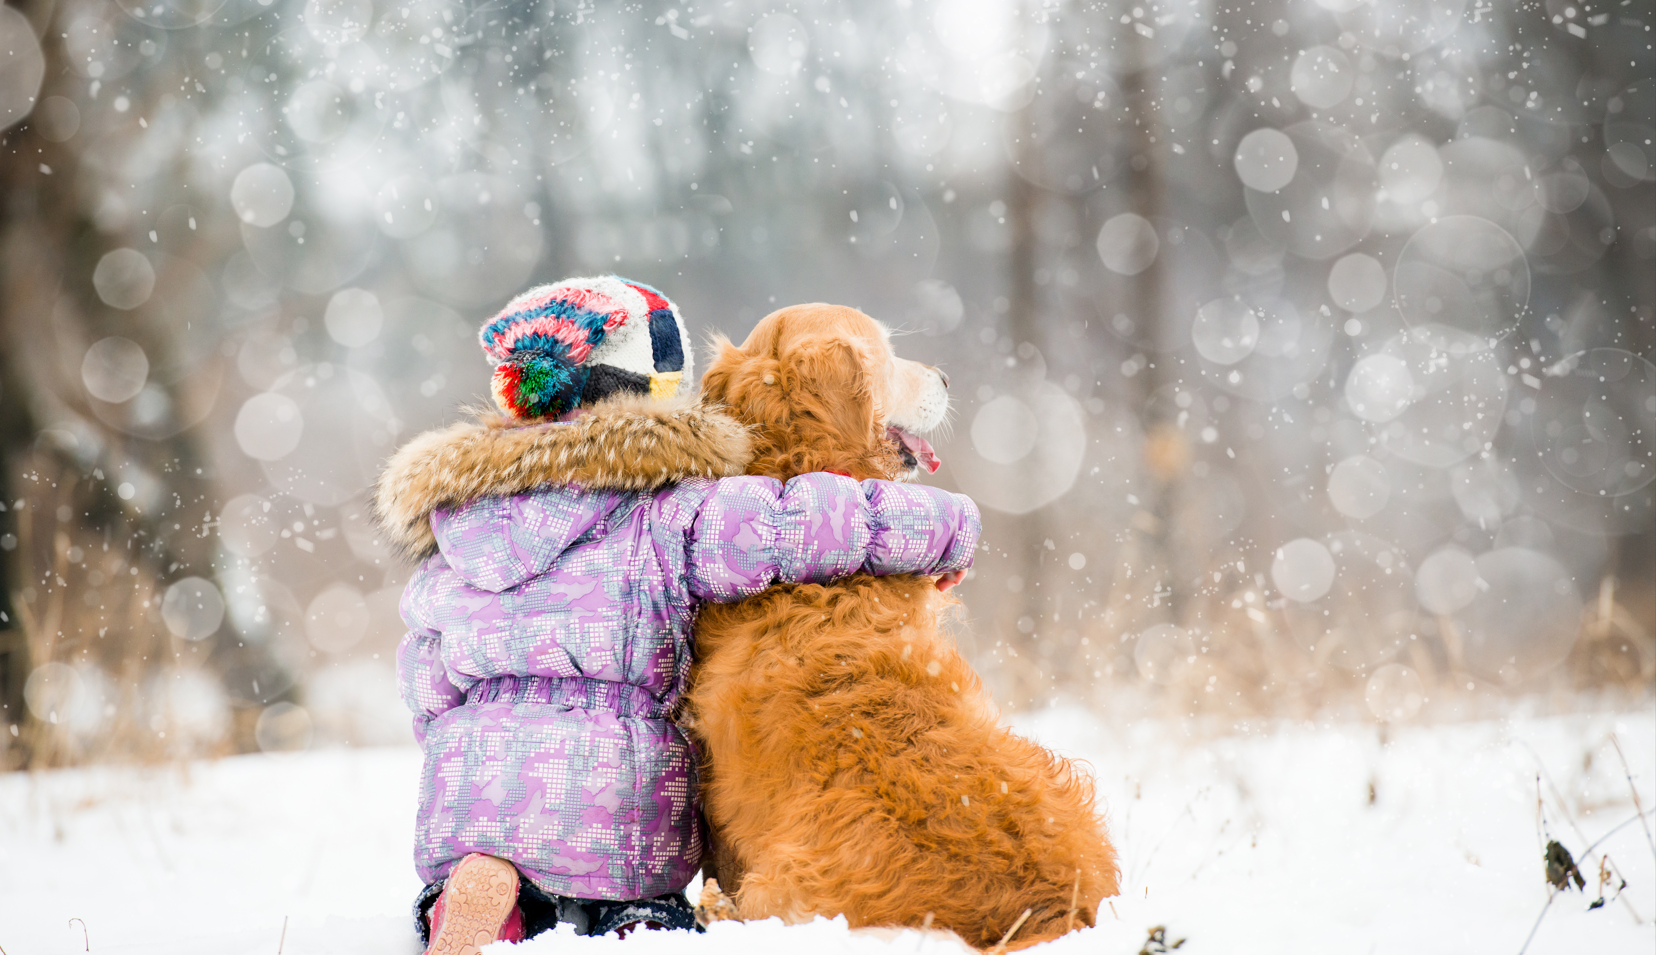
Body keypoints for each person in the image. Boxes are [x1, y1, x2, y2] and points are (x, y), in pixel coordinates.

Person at [375, 276, 979, 953]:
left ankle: (484, 893)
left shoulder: (458, 528)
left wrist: (465, 744)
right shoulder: (670, 510)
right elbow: (803, 524)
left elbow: (424, 680)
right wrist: (947, 528)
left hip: (469, 790)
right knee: (646, 907)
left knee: (486, 870)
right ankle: (640, 923)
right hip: (617, 798)